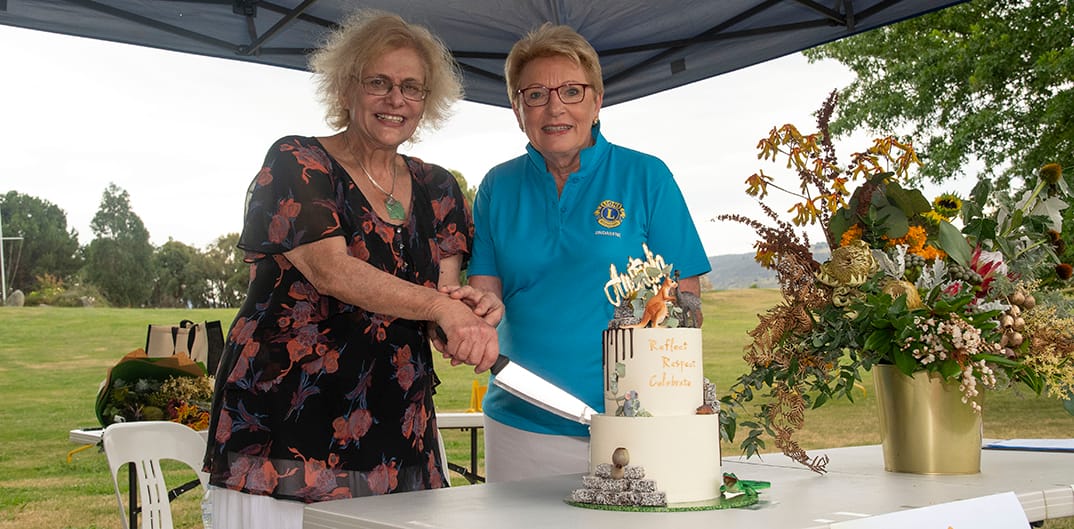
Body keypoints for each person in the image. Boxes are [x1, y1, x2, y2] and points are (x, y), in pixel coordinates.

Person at [202, 10, 501, 528]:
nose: (396, 99)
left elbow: (442, 296)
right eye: (378, 82)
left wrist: (467, 314)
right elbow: (331, 271)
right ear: (345, 88)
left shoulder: (439, 188)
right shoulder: (298, 161)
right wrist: (437, 305)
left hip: (397, 422)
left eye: (412, 87)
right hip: (288, 420)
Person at [462, 23, 710, 482]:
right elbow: (486, 298)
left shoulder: (647, 177)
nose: (554, 107)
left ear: (597, 102)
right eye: (534, 94)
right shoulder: (497, 186)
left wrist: (664, 404)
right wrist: (469, 319)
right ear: (517, 110)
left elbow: (686, 311)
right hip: (520, 422)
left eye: (572, 91)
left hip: (631, 427)